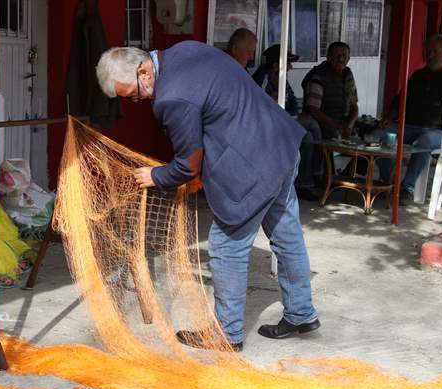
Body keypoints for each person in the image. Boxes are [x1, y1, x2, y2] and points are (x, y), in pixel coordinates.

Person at [96, 41, 320, 352]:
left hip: (251, 165)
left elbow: (188, 165)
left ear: (144, 71)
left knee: (227, 246)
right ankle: (301, 314)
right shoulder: (187, 49)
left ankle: (225, 335)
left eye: (132, 94)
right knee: (287, 234)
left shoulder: (171, 98)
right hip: (280, 144)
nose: (135, 101)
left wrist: (156, 176)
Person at [373, 34, 442, 205]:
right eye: (428, 51)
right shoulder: (417, 76)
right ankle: (388, 183)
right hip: (408, 127)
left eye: (435, 51)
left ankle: (407, 188)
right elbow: (401, 99)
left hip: (436, 131)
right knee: (381, 134)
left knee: (425, 141)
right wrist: (388, 117)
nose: (430, 55)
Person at [295, 41, 359, 201]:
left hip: (343, 122)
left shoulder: (348, 75)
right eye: (337, 56)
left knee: (368, 136)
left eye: (344, 56)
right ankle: (318, 177)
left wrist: (349, 125)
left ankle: (344, 177)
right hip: (323, 122)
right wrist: (337, 126)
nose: (341, 59)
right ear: (328, 57)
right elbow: (313, 110)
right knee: (318, 136)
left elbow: (354, 106)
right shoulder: (319, 76)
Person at [252, 44, 299, 116]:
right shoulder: (261, 79)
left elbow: (292, 99)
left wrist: (293, 116)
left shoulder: (281, 78)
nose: (290, 67)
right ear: (275, 65)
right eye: (287, 63)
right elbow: (261, 110)